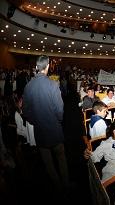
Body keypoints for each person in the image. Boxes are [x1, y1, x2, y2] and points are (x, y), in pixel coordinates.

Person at [22, 55, 69, 196]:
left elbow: (26, 111)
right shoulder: (53, 85)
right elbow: (60, 112)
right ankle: (66, 186)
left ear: (37, 67)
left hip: (40, 132)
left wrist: (36, 121)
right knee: (61, 159)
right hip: (54, 130)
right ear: (48, 66)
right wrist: (57, 121)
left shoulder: (28, 86)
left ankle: (57, 187)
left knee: (48, 163)